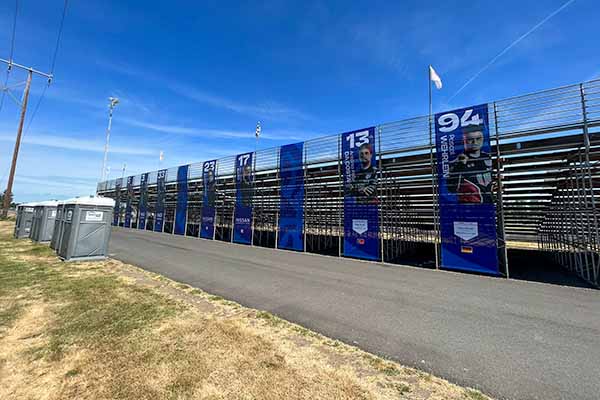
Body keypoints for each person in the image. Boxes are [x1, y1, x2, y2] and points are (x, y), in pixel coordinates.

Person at [447, 125, 494, 204]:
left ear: (483, 138)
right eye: (470, 139)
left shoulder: (488, 158)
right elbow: (451, 189)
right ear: (464, 140)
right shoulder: (457, 163)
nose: (475, 142)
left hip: (488, 207)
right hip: (469, 209)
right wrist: (460, 166)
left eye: (478, 138)